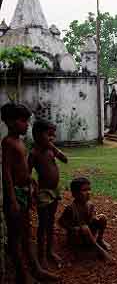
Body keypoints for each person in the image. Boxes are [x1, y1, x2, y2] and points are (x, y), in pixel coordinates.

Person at [1, 103, 58, 284]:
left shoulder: (19, 141)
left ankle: (36, 269)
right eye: (23, 120)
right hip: (16, 194)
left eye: (28, 120)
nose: (27, 125)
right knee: (16, 235)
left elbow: (22, 168)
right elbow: (7, 172)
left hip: (24, 191)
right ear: (9, 122)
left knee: (26, 233)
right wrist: (12, 200)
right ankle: (22, 274)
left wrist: (31, 182)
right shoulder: (8, 142)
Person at [29, 119, 68, 268]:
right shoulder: (34, 153)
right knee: (43, 224)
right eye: (49, 135)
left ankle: (50, 251)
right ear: (37, 135)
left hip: (54, 190)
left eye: (53, 136)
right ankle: (41, 255)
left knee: (51, 222)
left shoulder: (51, 150)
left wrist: (53, 147)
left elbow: (65, 159)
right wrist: (33, 186)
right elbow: (27, 172)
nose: (52, 138)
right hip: (43, 192)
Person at [59, 176, 111, 260]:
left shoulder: (90, 205)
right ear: (74, 194)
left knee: (102, 217)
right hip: (77, 237)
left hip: (88, 234)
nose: (88, 192)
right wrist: (72, 228)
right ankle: (99, 250)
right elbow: (61, 222)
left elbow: (90, 218)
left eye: (89, 189)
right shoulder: (71, 208)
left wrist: (95, 218)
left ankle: (99, 239)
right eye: (84, 190)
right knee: (85, 228)